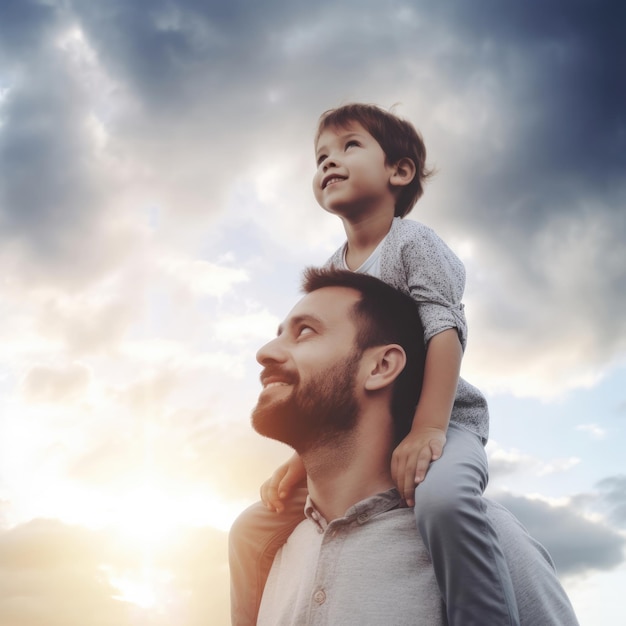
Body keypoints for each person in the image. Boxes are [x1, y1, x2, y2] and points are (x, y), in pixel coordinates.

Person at [229, 103, 517, 625]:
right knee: (251, 530)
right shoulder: (336, 268)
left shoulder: (414, 244)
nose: (328, 163)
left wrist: (428, 428)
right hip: (376, 434)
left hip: (443, 421)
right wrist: (303, 463)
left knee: (445, 504)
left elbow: (446, 331)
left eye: (349, 146)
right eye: (320, 157)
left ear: (399, 171)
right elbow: (339, 388)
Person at [235, 267, 578, 625]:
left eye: (305, 332)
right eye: (278, 334)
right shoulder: (273, 551)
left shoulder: (484, 541)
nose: (265, 352)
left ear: (381, 367)